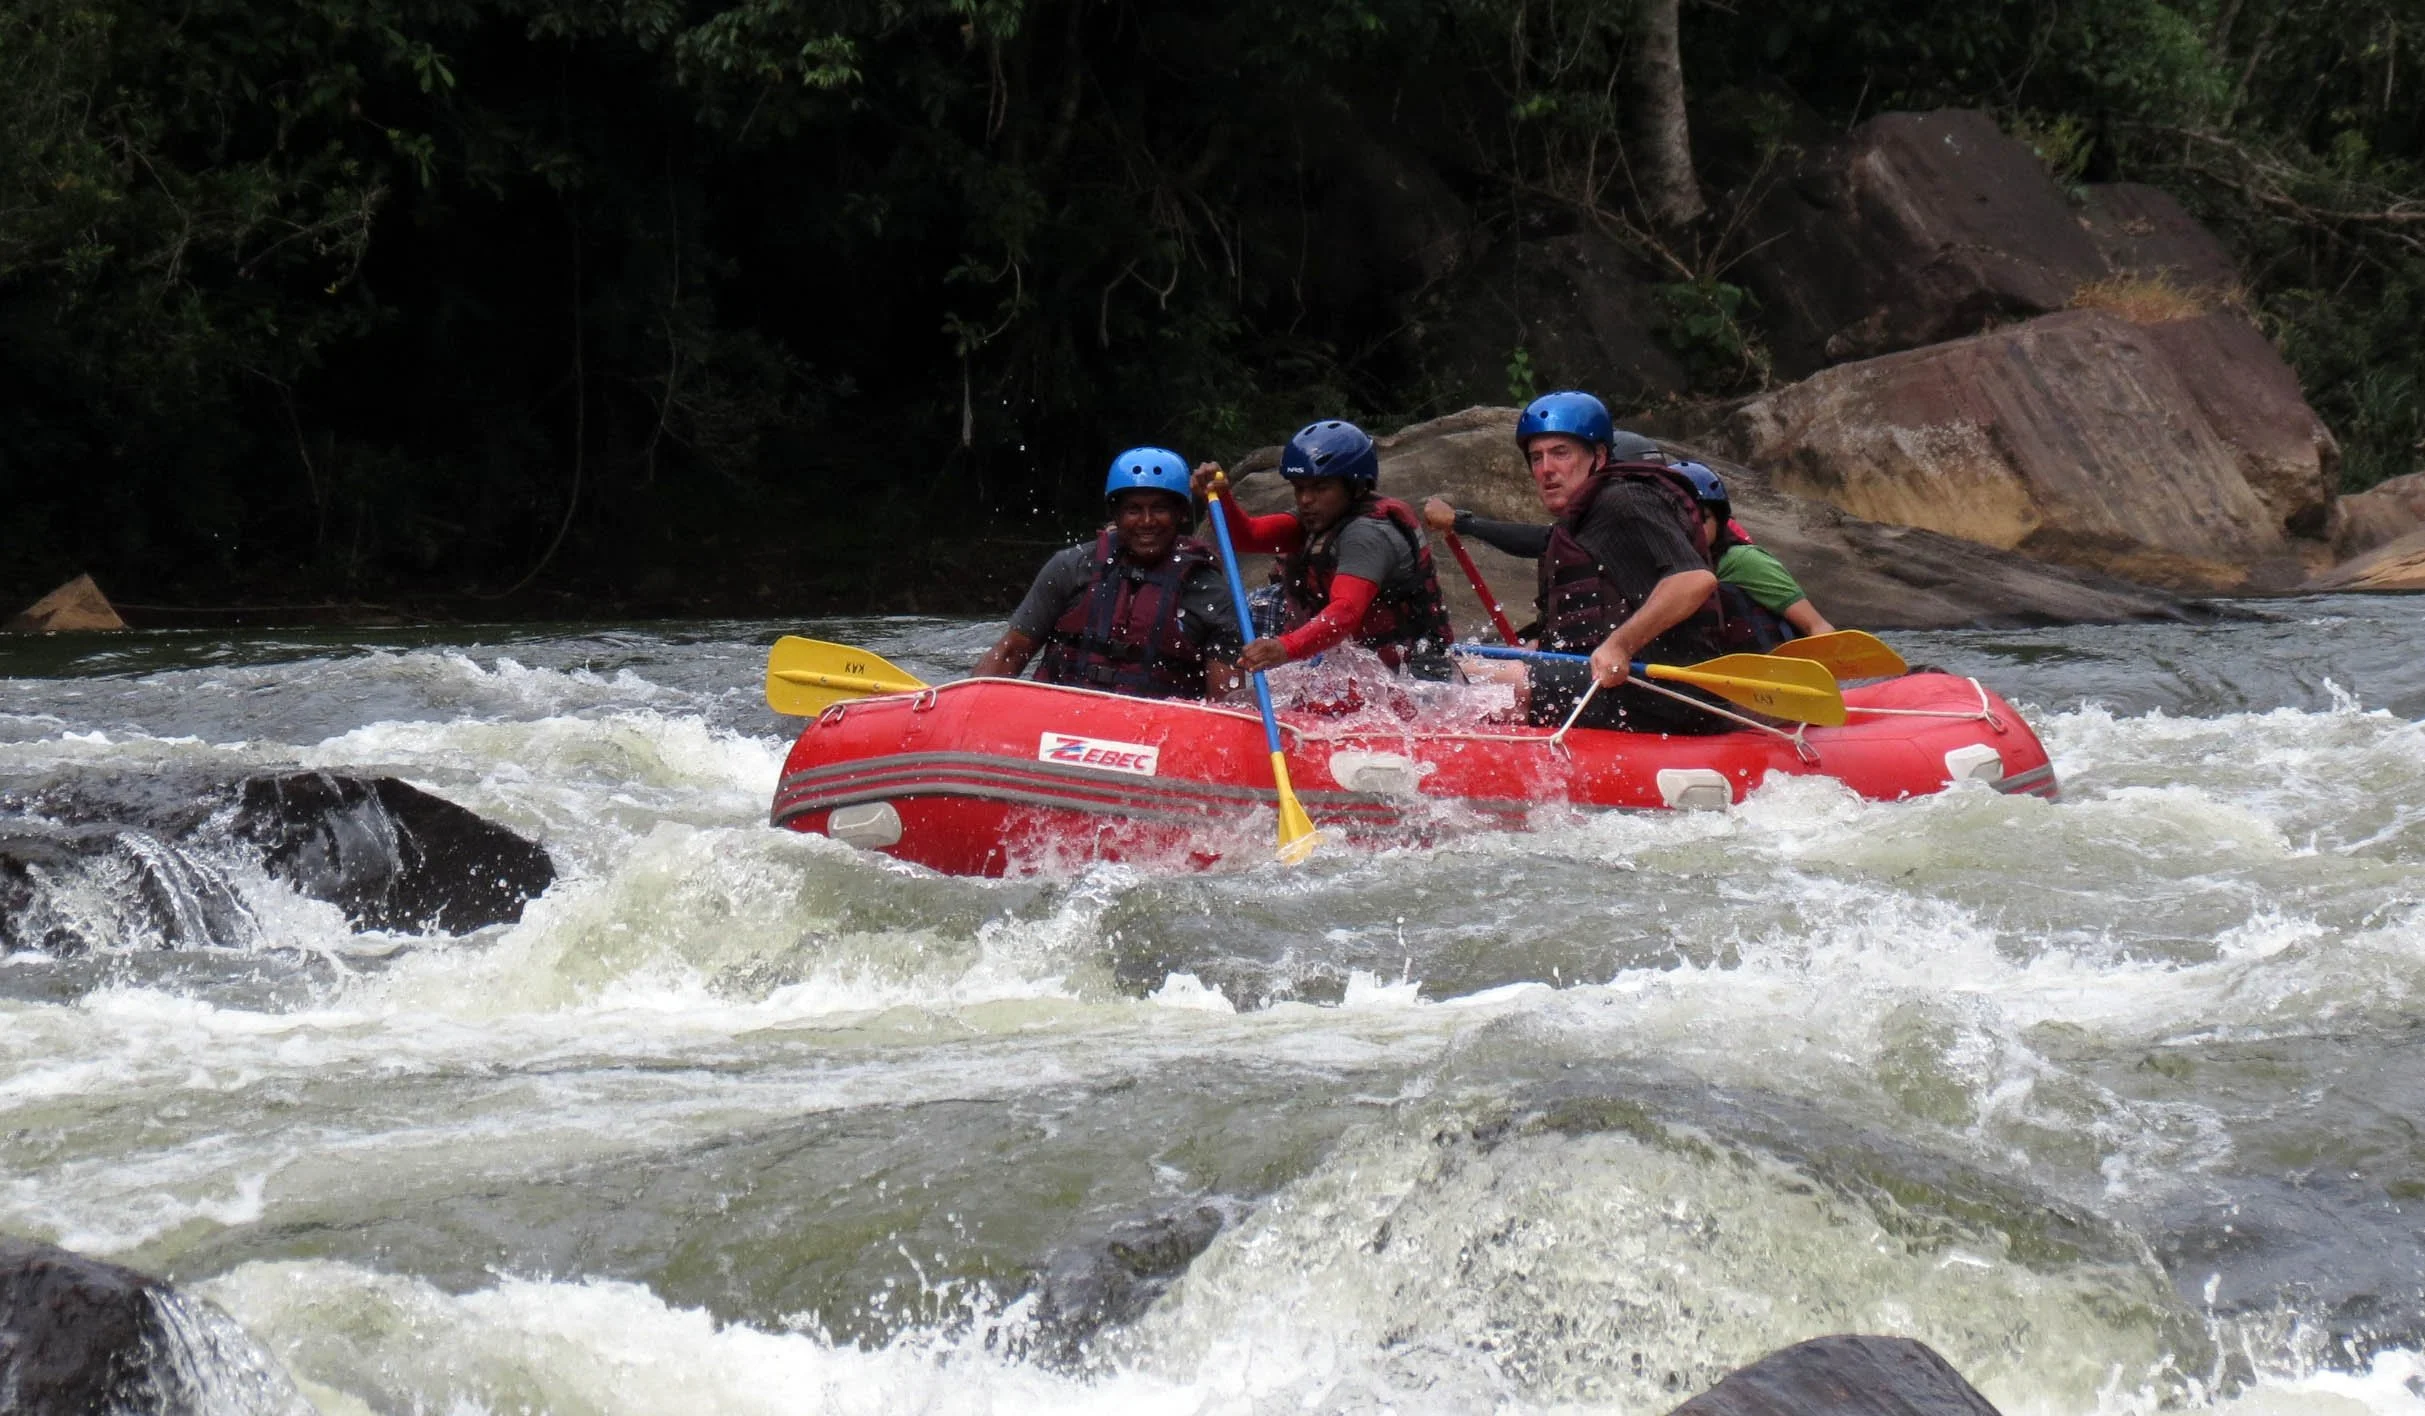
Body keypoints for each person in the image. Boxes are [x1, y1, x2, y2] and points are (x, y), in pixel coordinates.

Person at [1419, 390, 1729, 734]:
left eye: (1560, 453)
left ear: (1598, 456)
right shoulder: (1585, 519)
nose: (1546, 469)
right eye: (1536, 458)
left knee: (1447, 678)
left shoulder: (1627, 499)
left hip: (1661, 691)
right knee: (1452, 663)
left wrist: (1619, 646)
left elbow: (1694, 580)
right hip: (1612, 684)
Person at [1189, 419, 1457, 677]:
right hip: (1367, 672)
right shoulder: (1321, 520)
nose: (1305, 499)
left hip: (1418, 677)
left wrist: (1285, 648)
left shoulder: (1368, 535)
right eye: (1299, 488)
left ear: (1355, 487)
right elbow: (1246, 536)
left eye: (1320, 488)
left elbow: (1345, 612)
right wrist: (1220, 497)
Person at [971, 447, 1242, 699]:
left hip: (1158, 730)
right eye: (1133, 510)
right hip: (1058, 715)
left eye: (1159, 509)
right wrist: (970, 704)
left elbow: (1227, 701)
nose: (1147, 522)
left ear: (1181, 513)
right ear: (1115, 514)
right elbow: (1012, 651)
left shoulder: (1209, 591)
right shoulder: (1072, 567)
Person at [1670, 460, 1836, 651]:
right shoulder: (1660, 567)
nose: (1692, 528)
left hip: (1774, 671)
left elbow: (1818, 626)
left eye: (1702, 518)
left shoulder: (1742, 560)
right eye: (1679, 518)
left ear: (1719, 520)